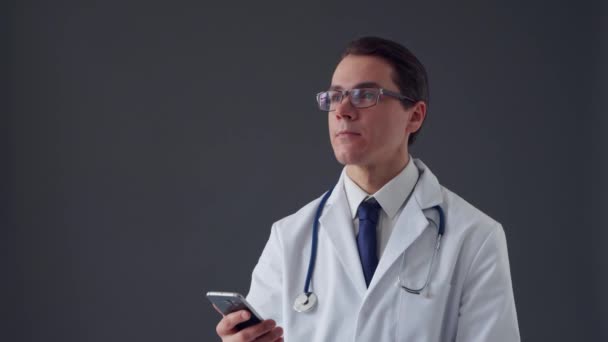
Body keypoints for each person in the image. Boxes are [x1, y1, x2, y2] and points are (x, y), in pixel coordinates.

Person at [215, 36, 520, 342]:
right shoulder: (290, 238)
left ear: (414, 115)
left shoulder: (475, 238)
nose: (342, 111)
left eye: (364, 95)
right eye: (335, 97)